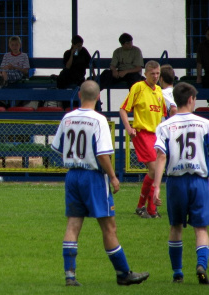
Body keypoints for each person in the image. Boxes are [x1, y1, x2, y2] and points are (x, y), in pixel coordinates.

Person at [51, 80, 149, 287]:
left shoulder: (67, 117)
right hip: (93, 177)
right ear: (98, 97)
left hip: (72, 176)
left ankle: (70, 275)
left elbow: (59, 147)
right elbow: (103, 154)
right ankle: (123, 273)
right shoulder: (98, 120)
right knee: (109, 227)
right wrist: (113, 176)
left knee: (73, 224)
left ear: (79, 95)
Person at [153, 82, 209, 284]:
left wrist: (156, 186)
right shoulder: (205, 124)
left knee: (175, 226)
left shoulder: (165, 126)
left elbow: (160, 156)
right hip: (199, 180)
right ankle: (201, 263)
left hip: (176, 182)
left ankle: (177, 273)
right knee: (201, 228)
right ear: (191, 99)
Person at [119, 60, 167, 218]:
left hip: (155, 135)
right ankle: (150, 209)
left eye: (157, 73)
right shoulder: (138, 87)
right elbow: (123, 109)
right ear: (145, 74)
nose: (155, 76)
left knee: (155, 171)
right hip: (141, 133)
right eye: (152, 73)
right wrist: (128, 127)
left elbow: (163, 116)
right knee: (154, 169)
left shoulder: (159, 91)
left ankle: (142, 207)